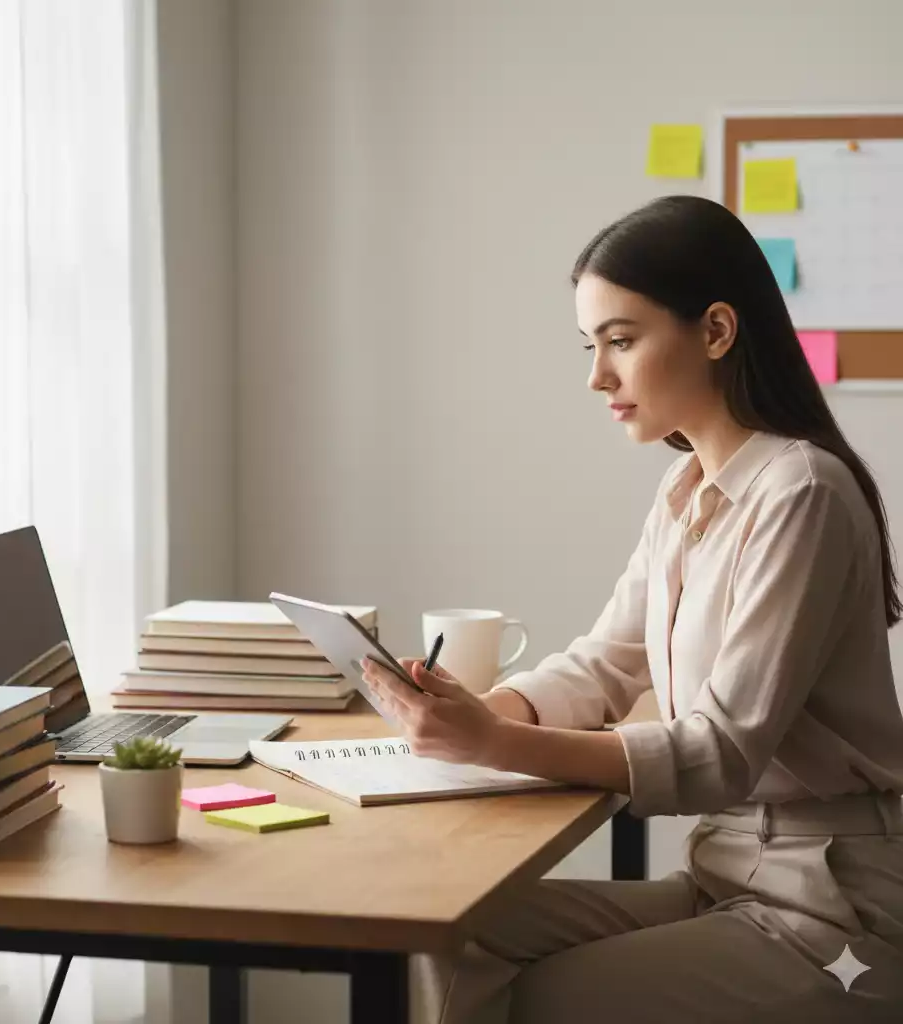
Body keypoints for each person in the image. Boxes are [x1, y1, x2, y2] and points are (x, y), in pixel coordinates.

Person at [361, 195, 903, 1023]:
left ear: (716, 332)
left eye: (621, 340)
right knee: (442, 932)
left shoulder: (802, 493)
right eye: (591, 345)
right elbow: (607, 661)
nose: (597, 376)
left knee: (535, 998)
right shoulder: (686, 490)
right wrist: (473, 715)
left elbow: (719, 752)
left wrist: (497, 742)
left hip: (832, 909)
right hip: (724, 873)